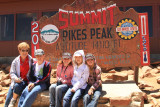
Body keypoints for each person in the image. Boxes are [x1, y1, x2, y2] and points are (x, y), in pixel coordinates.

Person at [4, 42, 32, 107]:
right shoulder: (15, 61)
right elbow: (12, 73)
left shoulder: (31, 60)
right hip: (18, 81)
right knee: (8, 99)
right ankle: (12, 101)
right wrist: (16, 79)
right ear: (19, 50)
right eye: (23, 50)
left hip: (27, 82)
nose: (25, 52)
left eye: (27, 50)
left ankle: (14, 99)